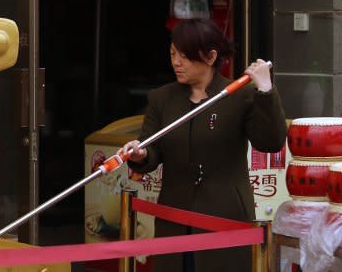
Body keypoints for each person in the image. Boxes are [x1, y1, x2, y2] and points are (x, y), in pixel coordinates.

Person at [118, 19, 286, 272]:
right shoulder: (162, 98)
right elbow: (151, 150)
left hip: (224, 215)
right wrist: (140, 153)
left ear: (210, 57)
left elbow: (271, 142)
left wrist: (265, 89)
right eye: (173, 54)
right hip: (174, 214)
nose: (176, 62)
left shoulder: (240, 96)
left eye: (184, 56)